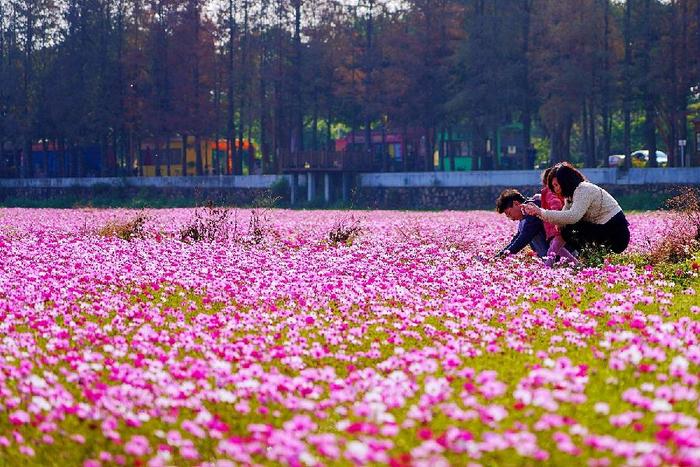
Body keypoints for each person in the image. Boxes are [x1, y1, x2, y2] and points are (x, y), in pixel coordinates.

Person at [522, 162, 630, 254]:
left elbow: (573, 216)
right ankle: (589, 256)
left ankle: (590, 256)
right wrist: (536, 212)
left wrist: (541, 212)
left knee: (570, 229)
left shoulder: (583, 189)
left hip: (616, 235)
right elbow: (561, 222)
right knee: (564, 229)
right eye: (553, 186)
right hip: (602, 231)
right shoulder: (570, 196)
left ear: (565, 181)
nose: (556, 189)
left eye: (556, 185)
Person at [540, 167, 578, 267]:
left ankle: (547, 269)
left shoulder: (549, 191)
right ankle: (575, 262)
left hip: (556, 227)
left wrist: (555, 211)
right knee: (556, 249)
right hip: (555, 227)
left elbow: (554, 202)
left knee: (552, 251)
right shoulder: (556, 191)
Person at [495, 189, 548, 258]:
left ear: (516, 204)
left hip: (555, 255)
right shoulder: (524, 218)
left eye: (509, 214)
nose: (512, 219)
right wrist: (500, 255)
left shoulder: (532, 210)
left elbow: (523, 238)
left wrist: (502, 256)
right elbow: (517, 239)